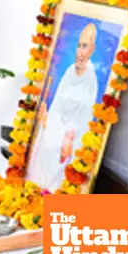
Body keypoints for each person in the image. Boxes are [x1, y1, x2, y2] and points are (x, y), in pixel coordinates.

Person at [27, 23, 98, 191]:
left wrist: (68, 137)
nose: (80, 51)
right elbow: (58, 104)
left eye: (85, 46)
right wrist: (45, 116)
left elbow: (83, 114)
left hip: (68, 138)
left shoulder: (90, 78)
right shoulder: (68, 71)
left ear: (92, 50)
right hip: (52, 131)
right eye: (79, 45)